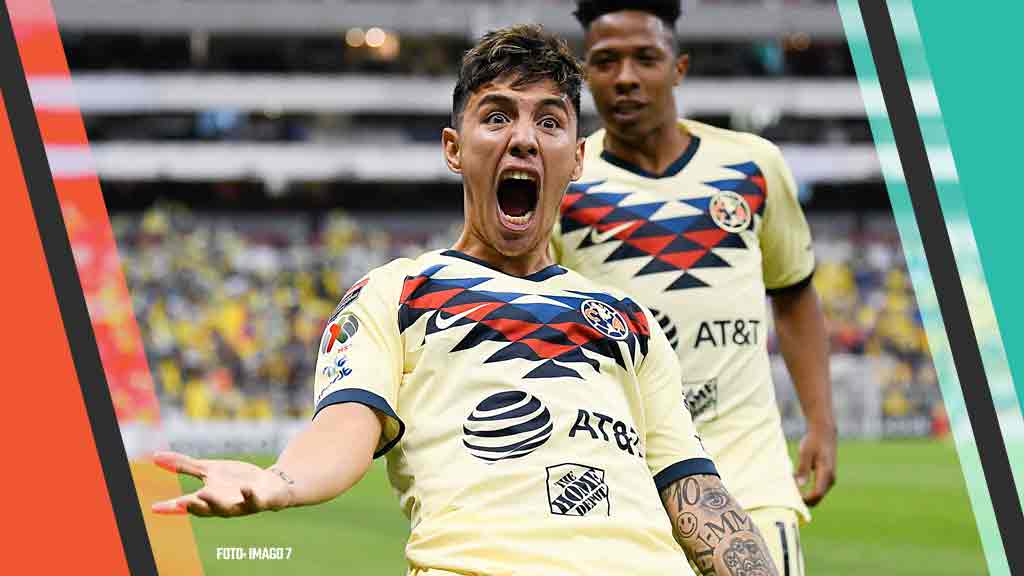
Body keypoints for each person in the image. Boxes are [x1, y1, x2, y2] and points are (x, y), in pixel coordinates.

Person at [153, 24, 778, 576]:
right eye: (498, 116)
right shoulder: (394, 294)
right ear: (454, 148)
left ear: (578, 159)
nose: (525, 140)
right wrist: (277, 481)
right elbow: (345, 425)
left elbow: (693, 489)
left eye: (550, 121)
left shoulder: (629, 321)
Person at [551, 2, 836, 574]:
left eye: (645, 59)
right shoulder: (565, 183)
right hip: (624, 480)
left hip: (749, 473)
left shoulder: (752, 166)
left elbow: (794, 293)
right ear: (586, 75)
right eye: (606, 61)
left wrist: (821, 421)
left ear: (677, 68)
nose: (626, 76)